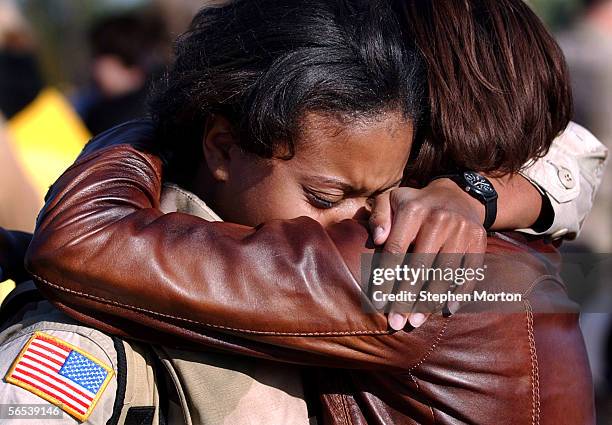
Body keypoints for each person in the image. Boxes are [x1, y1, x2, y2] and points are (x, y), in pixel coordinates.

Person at [2, 0, 604, 423]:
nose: (358, 217)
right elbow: (576, 148)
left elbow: (81, 241)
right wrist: (481, 189)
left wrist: (151, 131)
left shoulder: (411, 266)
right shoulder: (505, 240)